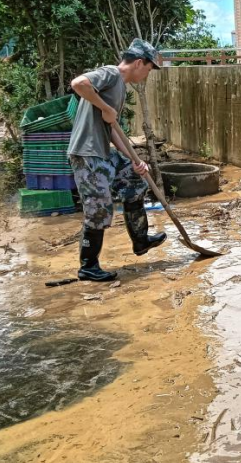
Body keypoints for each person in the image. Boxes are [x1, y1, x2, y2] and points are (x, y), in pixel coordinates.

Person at [66, 39, 167, 282]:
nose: (148, 74)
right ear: (139, 63)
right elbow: (78, 83)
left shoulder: (121, 87)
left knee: (135, 181)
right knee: (99, 207)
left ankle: (140, 240)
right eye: (149, 68)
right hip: (87, 153)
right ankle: (88, 266)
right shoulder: (111, 73)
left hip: (103, 151)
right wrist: (104, 107)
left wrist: (132, 158)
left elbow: (111, 128)